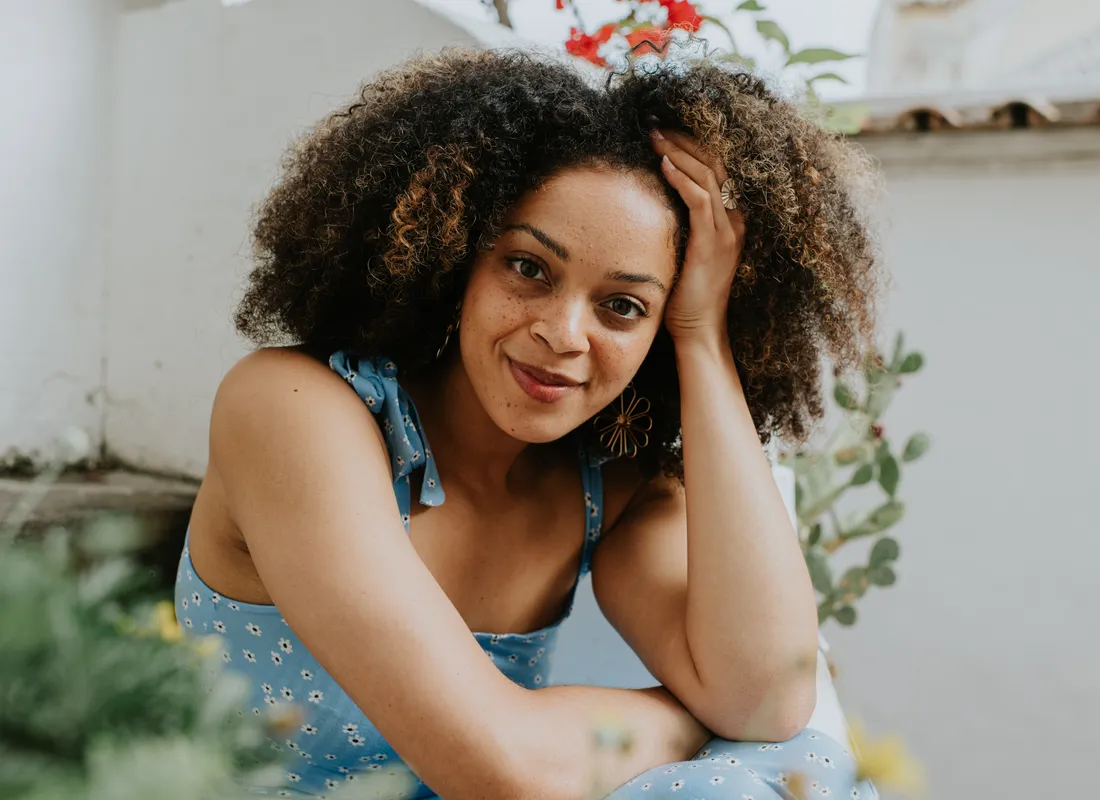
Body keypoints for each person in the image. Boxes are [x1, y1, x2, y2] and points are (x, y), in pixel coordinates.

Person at [174, 46, 881, 799]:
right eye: (529, 268)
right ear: (455, 259)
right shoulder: (292, 410)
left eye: (624, 306)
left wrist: (704, 338)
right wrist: (686, 721)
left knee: (789, 766)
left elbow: (767, 698)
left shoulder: (610, 486)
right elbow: (502, 768)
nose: (564, 333)